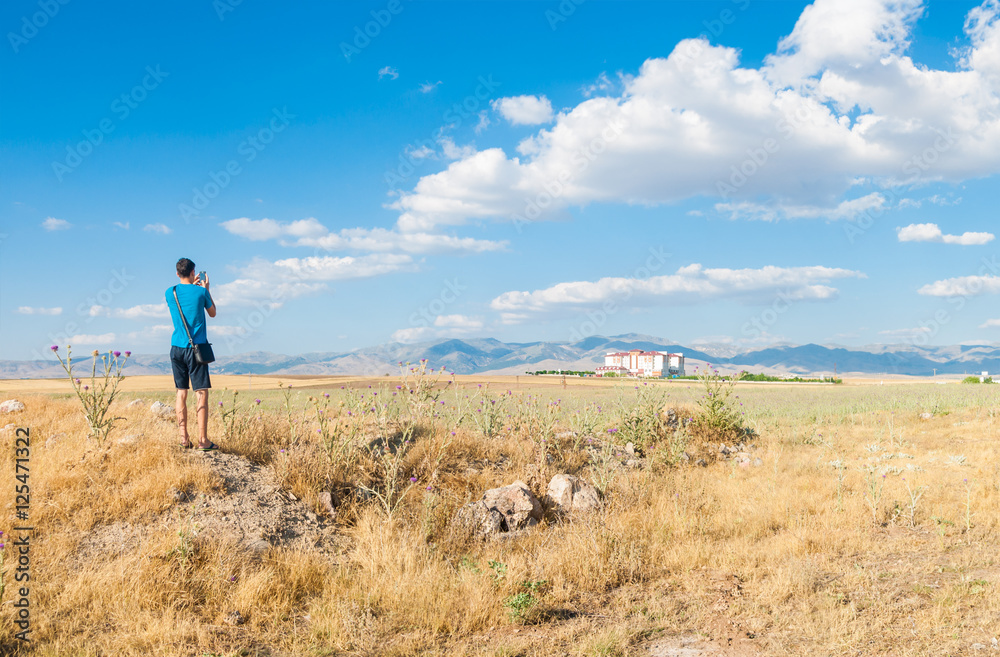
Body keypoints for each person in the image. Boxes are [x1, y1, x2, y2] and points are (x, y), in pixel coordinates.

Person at [166, 257, 219, 451]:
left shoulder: (169, 293)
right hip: (196, 348)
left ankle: (183, 438)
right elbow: (212, 313)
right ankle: (203, 440)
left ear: (177, 273)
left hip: (176, 348)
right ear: (192, 272)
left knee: (181, 393)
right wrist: (206, 289)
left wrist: (192, 284)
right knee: (201, 393)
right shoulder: (201, 292)